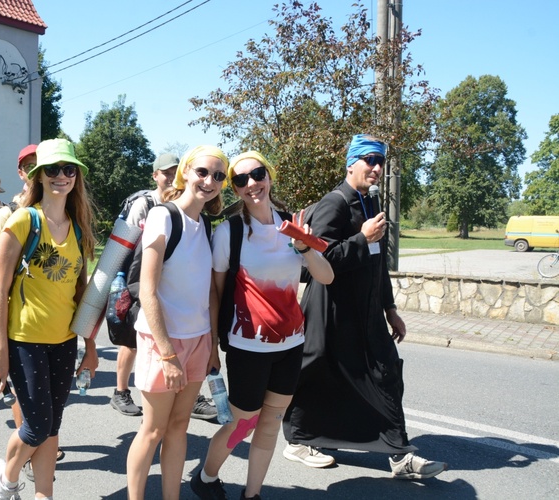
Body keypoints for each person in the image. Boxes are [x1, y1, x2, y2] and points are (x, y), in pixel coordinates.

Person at [282, 134, 448, 479]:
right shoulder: (336, 203)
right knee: (319, 374)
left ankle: (400, 455)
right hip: (332, 311)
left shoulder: (371, 204)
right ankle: (298, 439)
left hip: (367, 311)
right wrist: (362, 239)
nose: (376, 168)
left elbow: (376, 264)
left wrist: (390, 309)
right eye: (369, 160)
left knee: (386, 374)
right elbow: (319, 258)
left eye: (380, 162)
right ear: (351, 165)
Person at [191, 151, 334, 500]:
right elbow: (217, 293)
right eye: (240, 180)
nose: (251, 184)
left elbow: (326, 277)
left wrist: (304, 247)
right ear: (236, 190)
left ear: (268, 176)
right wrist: (212, 345)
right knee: (243, 424)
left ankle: (251, 494)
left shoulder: (293, 224)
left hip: (291, 343)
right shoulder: (230, 232)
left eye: (257, 175)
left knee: (269, 424)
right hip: (247, 346)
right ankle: (206, 477)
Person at [0, 138, 99, 499]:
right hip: (25, 339)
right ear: (39, 175)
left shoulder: (79, 228)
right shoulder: (23, 220)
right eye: (52, 170)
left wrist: (91, 346)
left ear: (76, 177)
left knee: (52, 427)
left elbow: (82, 295)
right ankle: (6, 479)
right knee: (36, 427)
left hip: (64, 341)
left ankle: (45, 495)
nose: (61, 177)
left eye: (69, 170)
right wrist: (0, 351)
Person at [126, 146, 227, 500]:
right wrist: (168, 354)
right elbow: (148, 292)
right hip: (162, 342)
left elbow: (208, 294)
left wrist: (212, 344)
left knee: (179, 427)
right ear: (185, 171)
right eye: (202, 171)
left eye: (218, 175)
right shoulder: (163, 217)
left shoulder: (205, 224)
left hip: (198, 340)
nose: (209, 180)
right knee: (152, 430)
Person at [112, 152, 217, 421]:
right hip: (137, 281)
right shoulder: (149, 206)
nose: (170, 176)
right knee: (130, 341)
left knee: (175, 426)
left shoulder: (201, 220)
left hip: (190, 327)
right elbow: (125, 247)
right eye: (167, 172)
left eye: (218, 176)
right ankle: (121, 390)